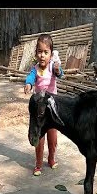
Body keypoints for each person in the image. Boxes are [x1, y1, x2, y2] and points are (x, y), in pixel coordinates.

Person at [24, 34, 64, 176]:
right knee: (39, 138)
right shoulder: (35, 69)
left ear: (51, 54)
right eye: (40, 52)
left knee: (52, 138)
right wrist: (28, 84)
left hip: (52, 108)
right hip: (39, 110)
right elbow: (30, 77)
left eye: (46, 52)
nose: (42, 55)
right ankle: (38, 164)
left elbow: (60, 74)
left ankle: (51, 159)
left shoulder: (53, 67)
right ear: (36, 53)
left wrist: (58, 70)